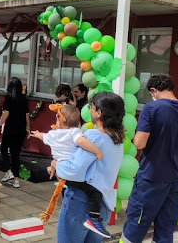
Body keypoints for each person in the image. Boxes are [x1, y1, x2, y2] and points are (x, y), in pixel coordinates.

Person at [121, 74, 178, 243]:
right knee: (166, 230)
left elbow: (140, 143)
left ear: (153, 90)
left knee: (136, 225)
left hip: (151, 178)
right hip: (176, 180)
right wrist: (174, 142)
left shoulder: (151, 109)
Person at [54, 92, 125, 243]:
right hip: (104, 203)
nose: (90, 111)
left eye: (91, 107)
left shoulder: (94, 135)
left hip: (81, 201)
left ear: (99, 113)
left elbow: (73, 169)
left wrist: (56, 165)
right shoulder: (118, 139)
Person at [30, 104, 107, 237]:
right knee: (94, 191)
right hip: (70, 171)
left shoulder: (53, 134)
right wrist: (97, 151)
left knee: (69, 189)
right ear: (77, 123)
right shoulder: (74, 133)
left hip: (61, 171)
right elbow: (82, 142)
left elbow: (44, 137)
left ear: (59, 120)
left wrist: (37, 134)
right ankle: (94, 219)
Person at [0, 77, 30, 188]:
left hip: (10, 127)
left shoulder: (9, 97)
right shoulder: (23, 98)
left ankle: (9, 171)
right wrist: (28, 128)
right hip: (21, 129)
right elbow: (26, 114)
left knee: (3, 149)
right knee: (15, 153)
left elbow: (6, 112)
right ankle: (16, 180)